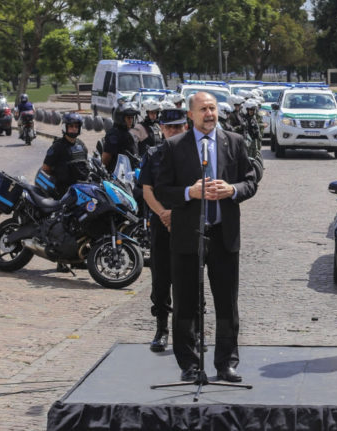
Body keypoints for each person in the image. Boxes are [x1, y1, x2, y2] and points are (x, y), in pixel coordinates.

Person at [154, 92, 257, 383]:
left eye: (212, 108)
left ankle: (226, 363)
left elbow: (250, 181)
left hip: (223, 236)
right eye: (203, 109)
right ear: (191, 115)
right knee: (185, 302)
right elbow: (162, 189)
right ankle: (189, 363)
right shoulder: (174, 147)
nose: (209, 114)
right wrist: (190, 192)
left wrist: (233, 190)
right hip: (188, 236)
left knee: (227, 303)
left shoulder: (234, 142)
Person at [139, 102, 188, 352]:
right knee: (161, 280)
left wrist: (177, 215)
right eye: (169, 127)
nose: (174, 131)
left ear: (186, 127)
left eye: (179, 126)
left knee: (190, 279)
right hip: (160, 224)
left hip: (188, 223)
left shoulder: (195, 154)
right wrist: (163, 214)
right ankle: (162, 328)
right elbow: (146, 190)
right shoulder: (153, 154)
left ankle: (193, 331)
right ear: (161, 128)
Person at [41, 112, 88, 199]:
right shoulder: (57, 147)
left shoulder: (81, 145)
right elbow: (46, 168)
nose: (74, 129)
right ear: (64, 127)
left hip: (81, 190)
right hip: (63, 191)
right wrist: (59, 174)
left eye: (76, 126)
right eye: (71, 126)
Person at [102, 102, 140, 171]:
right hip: (117, 174)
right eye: (128, 118)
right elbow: (106, 158)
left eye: (132, 118)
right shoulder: (114, 134)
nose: (131, 120)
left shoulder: (130, 132)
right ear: (120, 118)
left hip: (131, 171)